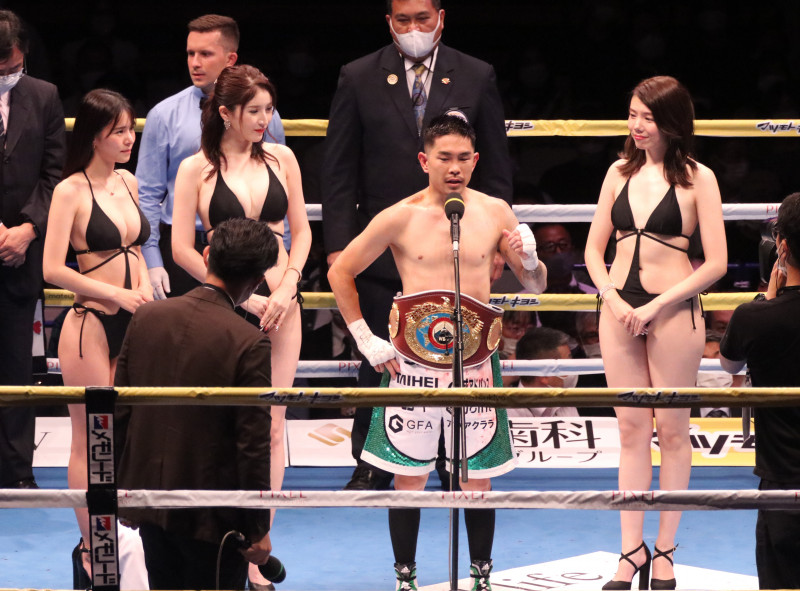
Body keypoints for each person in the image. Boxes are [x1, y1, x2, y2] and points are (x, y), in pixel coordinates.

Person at [328, 114, 546, 590]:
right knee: (409, 477)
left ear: (476, 160)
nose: (454, 167)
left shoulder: (495, 212)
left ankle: (481, 577)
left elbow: (535, 285)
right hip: (412, 361)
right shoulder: (399, 216)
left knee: (477, 477)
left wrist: (530, 259)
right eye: (444, 158)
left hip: (477, 360)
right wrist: (364, 337)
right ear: (424, 160)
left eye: (463, 158)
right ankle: (405, 579)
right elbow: (339, 271)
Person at [322, 0, 513, 491]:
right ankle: (372, 461)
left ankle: (454, 459)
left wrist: (497, 242)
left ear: (441, 19)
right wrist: (339, 245)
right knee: (379, 359)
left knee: (460, 356)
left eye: (422, 19)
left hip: (457, 239)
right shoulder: (358, 75)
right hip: (382, 243)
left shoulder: (476, 74)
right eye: (403, 20)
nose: (413, 28)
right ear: (389, 22)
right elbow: (339, 167)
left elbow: (495, 164)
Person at [584, 75, 726, 590]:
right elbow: (592, 250)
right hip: (619, 308)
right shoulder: (617, 172)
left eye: (646, 117)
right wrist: (613, 298)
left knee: (671, 431)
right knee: (629, 430)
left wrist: (658, 305)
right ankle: (630, 551)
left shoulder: (699, 178)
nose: (636, 125)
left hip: (673, 310)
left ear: (671, 121)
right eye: (632, 115)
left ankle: (664, 550)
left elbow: (717, 262)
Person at [171, 62, 310, 587]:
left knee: (272, 426)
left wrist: (289, 285)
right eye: (254, 110)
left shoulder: (283, 157)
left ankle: (258, 550)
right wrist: (243, 301)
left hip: (282, 300)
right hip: (226, 301)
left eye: (268, 110)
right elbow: (182, 248)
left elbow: (302, 231)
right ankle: (216, 535)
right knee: (221, 425)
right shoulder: (195, 169)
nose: (263, 120)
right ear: (226, 113)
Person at [115, 217, 279, 590]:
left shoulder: (147, 317)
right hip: (215, 518)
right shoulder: (248, 341)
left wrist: (125, 494)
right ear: (257, 281)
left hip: (152, 501)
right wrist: (258, 528)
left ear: (206, 256)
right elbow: (252, 442)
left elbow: (120, 413)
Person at [42, 88, 151, 587]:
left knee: (127, 438)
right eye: (118, 131)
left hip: (136, 323)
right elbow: (52, 269)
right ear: (94, 135)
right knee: (92, 439)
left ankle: (120, 538)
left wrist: (144, 297)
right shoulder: (70, 190)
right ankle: (91, 549)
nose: (129, 139)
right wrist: (117, 296)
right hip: (90, 324)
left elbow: (137, 251)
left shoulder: (129, 181)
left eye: (131, 130)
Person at [136, 14, 285, 301]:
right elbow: (147, 194)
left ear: (230, 59)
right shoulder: (164, 115)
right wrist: (151, 260)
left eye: (205, 54)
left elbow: (279, 191)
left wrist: (283, 261)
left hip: (252, 247)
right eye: (190, 53)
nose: (194, 62)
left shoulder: (265, 116)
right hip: (183, 247)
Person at [719, 192, 800, 590]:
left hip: (784, 477)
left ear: (781, 246)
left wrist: (768, 300)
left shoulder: (753, 317)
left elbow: (729, 366)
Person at [0, 9, 65, 490]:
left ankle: (17, 470)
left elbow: (53, 174)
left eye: (12, 66)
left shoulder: (43, 96)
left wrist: (27, 229)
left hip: (21, 256)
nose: (5, 73)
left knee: (16, 366)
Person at [506, 327, 579, 418]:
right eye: (567, 365)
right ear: (545, 374)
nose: (574, 369)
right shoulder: (507, 414)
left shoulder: (565, 403)